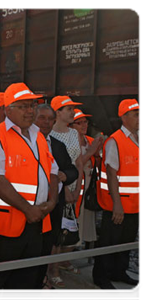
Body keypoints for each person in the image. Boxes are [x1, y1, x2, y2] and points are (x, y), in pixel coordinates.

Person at [0, 82, 59, 300]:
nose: (30, 110)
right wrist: (28, 209)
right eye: (22, 106)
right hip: (2, 228)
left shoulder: (39, 137)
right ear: (8, 109)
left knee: (24, 284)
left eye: (32, 105)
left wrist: (52, 200)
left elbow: (53, 171)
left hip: (36, 224)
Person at [92, 99, 143, 294]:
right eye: (136, 114)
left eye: (141, 114)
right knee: (109, 242)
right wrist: (117, 205)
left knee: (127, 241)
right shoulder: (115, 141)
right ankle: (101, 276)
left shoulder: (142, 138)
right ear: (124, 117)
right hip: (119, 205)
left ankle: (119, 272)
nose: (140, 118)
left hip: (137, 204)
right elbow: (111, 174)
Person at [32, 104, 79, 300]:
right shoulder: (26, 141)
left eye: (49, 119)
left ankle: (42, 282)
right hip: (30, 208)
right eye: (41, 118)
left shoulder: (58, 145)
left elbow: (72, 170)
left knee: (47, 246)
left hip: (54, 208)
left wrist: (64, 175)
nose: (45, 122)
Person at [48, 96, 84, 287]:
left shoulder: (73, 133)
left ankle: (58, 264)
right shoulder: (49, 135)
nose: (73, 112)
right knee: (55, 232)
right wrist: (66, 192)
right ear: (58, 113)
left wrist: (77, 189)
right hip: (58, 190)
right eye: (68, 108)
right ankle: (51, 270)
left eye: (73, 108)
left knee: (68, 231)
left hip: (72, 187)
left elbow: (78, 163)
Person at [70, 109, 103, 245]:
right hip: (75, 187)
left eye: (85, 122)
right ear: (71, 126)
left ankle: (83, 245)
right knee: (74, 217)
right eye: (79, 123)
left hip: (88, 187)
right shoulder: (70, 142)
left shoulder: (89, 140)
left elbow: (99, 164)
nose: (84, 125)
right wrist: (91, 151)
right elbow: (74, 166)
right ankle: (70, 248)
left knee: (87, 218)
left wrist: (97, 154)